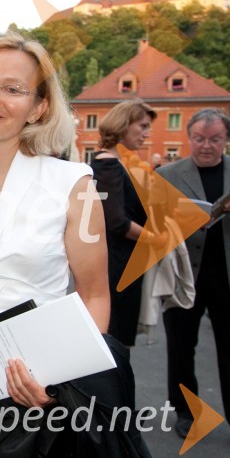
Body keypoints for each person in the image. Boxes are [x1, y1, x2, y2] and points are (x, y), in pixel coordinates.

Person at [0, 33, 153, 458]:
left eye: (12, 88)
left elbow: (95, 296)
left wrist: (53, 378)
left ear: (40, 107)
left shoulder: (70, 184)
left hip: (39, 397)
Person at [157, 108, 230, 443]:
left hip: (229, 277)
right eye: (199, 139)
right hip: (184, 275)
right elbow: (154, 224)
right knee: (180, 348)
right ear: (189, 138)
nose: (206, 146)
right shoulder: (168, 173)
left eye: (215, 139)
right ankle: (186, 413)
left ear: (227, 140)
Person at [90, 99, 157, 347]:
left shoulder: (117, 163)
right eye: (143, 126)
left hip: (123, 261)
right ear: (124, 124)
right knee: (115, 341)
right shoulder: (108, 164)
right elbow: (117, 221)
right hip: (117, 263)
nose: (147, 133)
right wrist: (158, 239)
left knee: (118, 339)